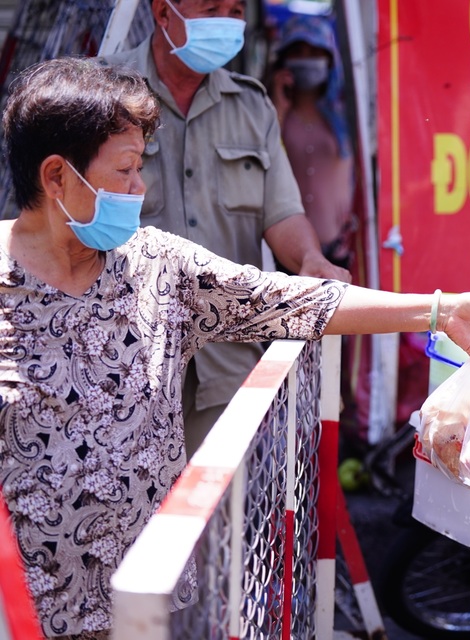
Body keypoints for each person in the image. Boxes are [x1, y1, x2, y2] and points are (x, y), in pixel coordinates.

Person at [0, 56, 470, 639]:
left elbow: (290, 301)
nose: (140, 191)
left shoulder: (157, 267)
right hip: (27, 614)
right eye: (125, 171)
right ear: (55, 177)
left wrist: (439, 310)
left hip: (152, 607)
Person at [101, 0, 352, 457]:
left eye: (235, 10)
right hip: (121, 357)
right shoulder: (100, 94)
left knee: (225, 518)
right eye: (210, 7)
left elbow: (282, 213)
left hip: (226, 360)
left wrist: (311, 260)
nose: (226, 21)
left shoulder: (252, 106)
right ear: (163, 13)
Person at [268, 13, 356, 269]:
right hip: (287, 252)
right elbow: (267, 157)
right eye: (298, 51)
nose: (306, 59)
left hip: (339, 248)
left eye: (314, 52)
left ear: (329, 59)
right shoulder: (270, 112)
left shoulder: (346, 115)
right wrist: (278, 107)